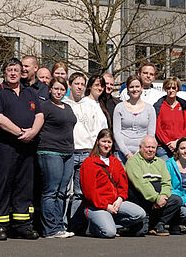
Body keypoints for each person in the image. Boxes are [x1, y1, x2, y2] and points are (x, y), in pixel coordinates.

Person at [0, 58, 45, 240]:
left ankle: (22, 224)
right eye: (9, 70)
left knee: (24, 186)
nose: (13, 73)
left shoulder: (30, 93)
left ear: (22, 73)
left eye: (16, 70)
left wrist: (33, 132)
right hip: (5, 147)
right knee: (2, 185)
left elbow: (40, 114)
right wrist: (21, 133)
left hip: (27, 148)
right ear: (4, 73)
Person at [80, 130, 147, 238]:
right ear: (98, 142)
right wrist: (106, 206)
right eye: (104, 141)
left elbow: (123, 185)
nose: (106, 145)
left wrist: (120, 198)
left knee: (140, 214)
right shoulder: (89, 162)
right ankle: (96, 227)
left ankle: (108, 223)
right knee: (110, 233)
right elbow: (89, 192)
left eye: (109, 142)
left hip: (115, 202)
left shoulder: (115, 162)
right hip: (96, 206)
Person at [38, 77, 78, 239]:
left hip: (68, 152)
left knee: (62, 192)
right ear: (50, 89)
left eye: (62, 89)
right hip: (50, 151)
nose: (59, 92)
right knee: (51, 191)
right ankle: (50, 229)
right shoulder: (44, 106)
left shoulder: (68, 107)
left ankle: (59, 226)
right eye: (56, 89)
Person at [69, 74, 110, 230]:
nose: (79, 86)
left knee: (81, 192)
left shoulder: (97, 105)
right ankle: (66, 223)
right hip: (73, 150)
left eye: (82, 83)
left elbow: (96, 131)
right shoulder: (76, 104)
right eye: (76, 83)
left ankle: (77, 224)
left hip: (89, 151)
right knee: (67, 191)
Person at [125, 136, 185, 236]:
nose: (150, 150)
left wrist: (163, 197)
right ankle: (144, 221)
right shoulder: (133, 162)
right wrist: (156, 198)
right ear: (140, 147)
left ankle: (157, 224)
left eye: (153, 148)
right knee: (140, 232)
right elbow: (140, 184)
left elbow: (166, 182)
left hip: (158, 200)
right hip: (141, 199)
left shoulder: (160, 162)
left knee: (176, 200)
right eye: (147, 147)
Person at [154, 77, 186, 162]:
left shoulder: (184, 106)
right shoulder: (159, 106)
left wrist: (178, 142)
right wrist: (168, 143)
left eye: (173, 88)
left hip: (181, 148)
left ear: (177, 89)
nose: (171, 90)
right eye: (168, 88)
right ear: (165, 89)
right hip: (163, 148)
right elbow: (157, 128)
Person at [113, 76, 156, 159]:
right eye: (131, 87)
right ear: (127, 90)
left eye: (137, 86)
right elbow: (116, 132)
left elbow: (150, 134)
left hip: (142, 153)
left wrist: (140, 152)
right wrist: (126, 153)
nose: (134, 89)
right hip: (121, 154)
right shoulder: (119, 108)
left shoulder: (150, 109)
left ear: (141, 88)